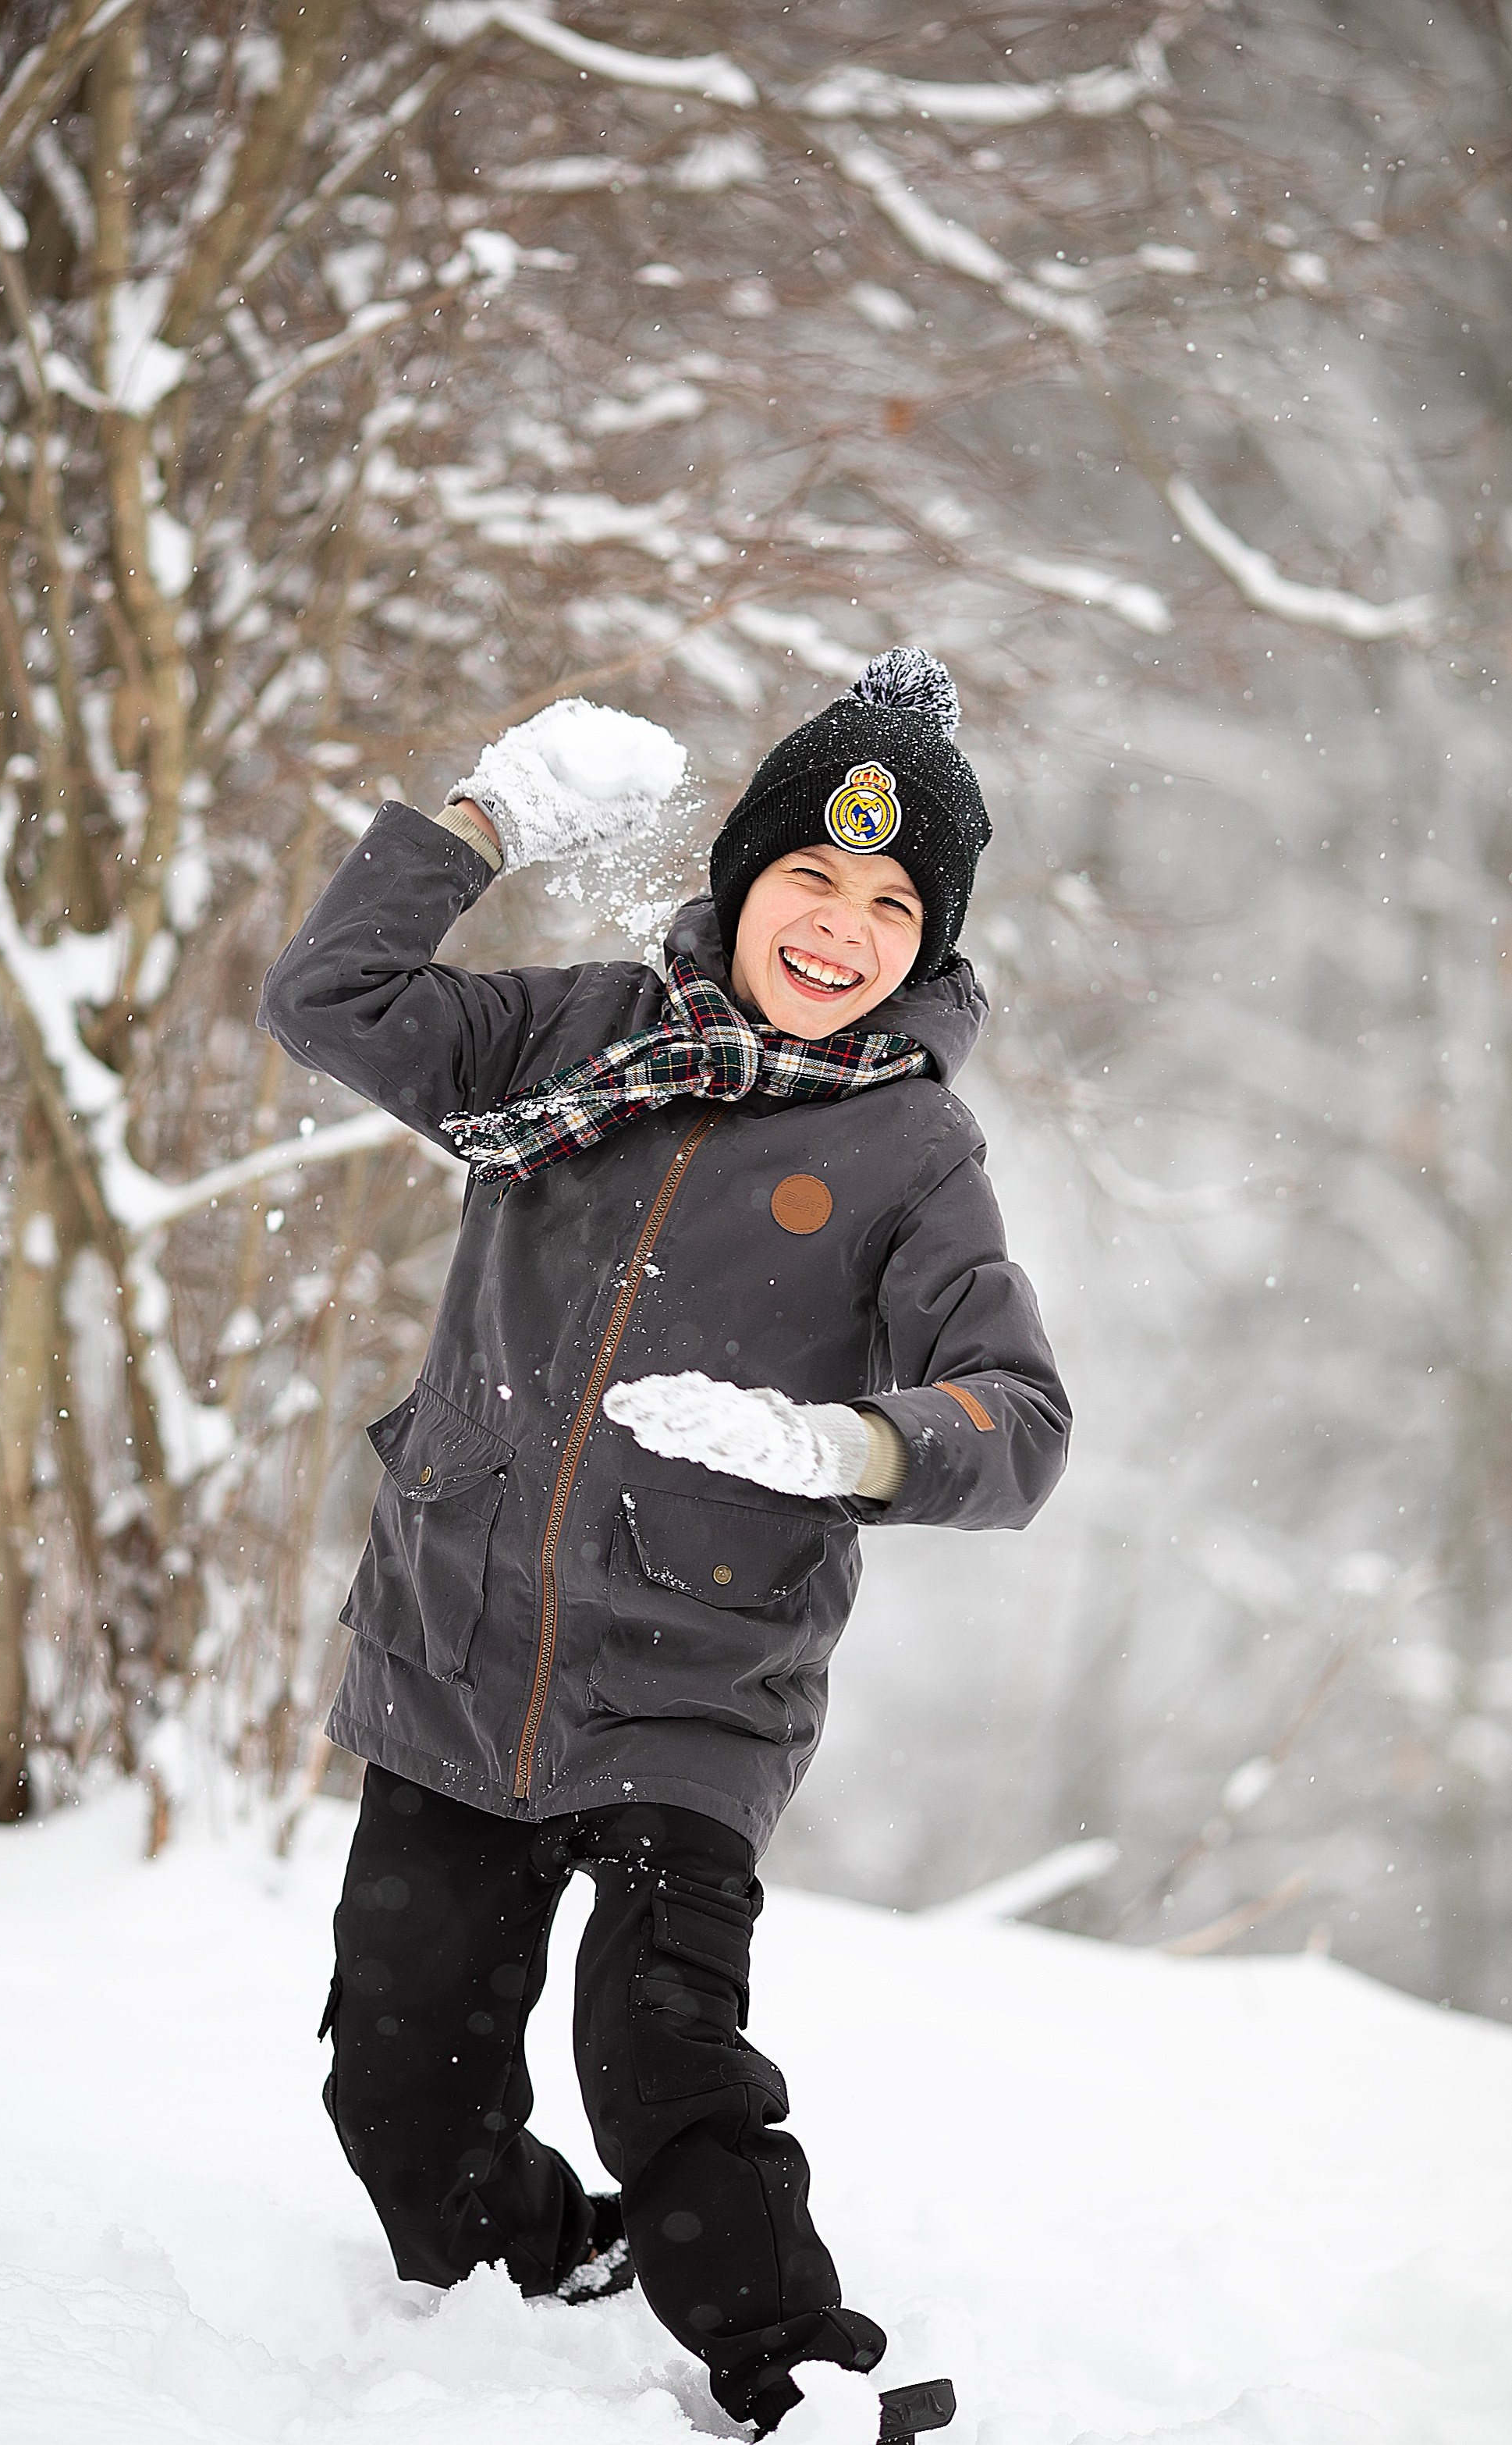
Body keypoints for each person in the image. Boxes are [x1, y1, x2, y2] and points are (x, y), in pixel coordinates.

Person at [257, 648, 1070, 2438]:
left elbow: (1017, 1418)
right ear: (742, 879)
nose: (839, 926)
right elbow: (331, 998)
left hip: (694, 1684)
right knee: (398, 2090)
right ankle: (553, 2261)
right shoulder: (582, 1038)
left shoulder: (910, 1149)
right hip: (457, 1640)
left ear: (926, 945)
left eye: (888, 902)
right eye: (808, 876)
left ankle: (793, 2361)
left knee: (665, 2050)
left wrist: (841, 1441)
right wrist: (480, 825)